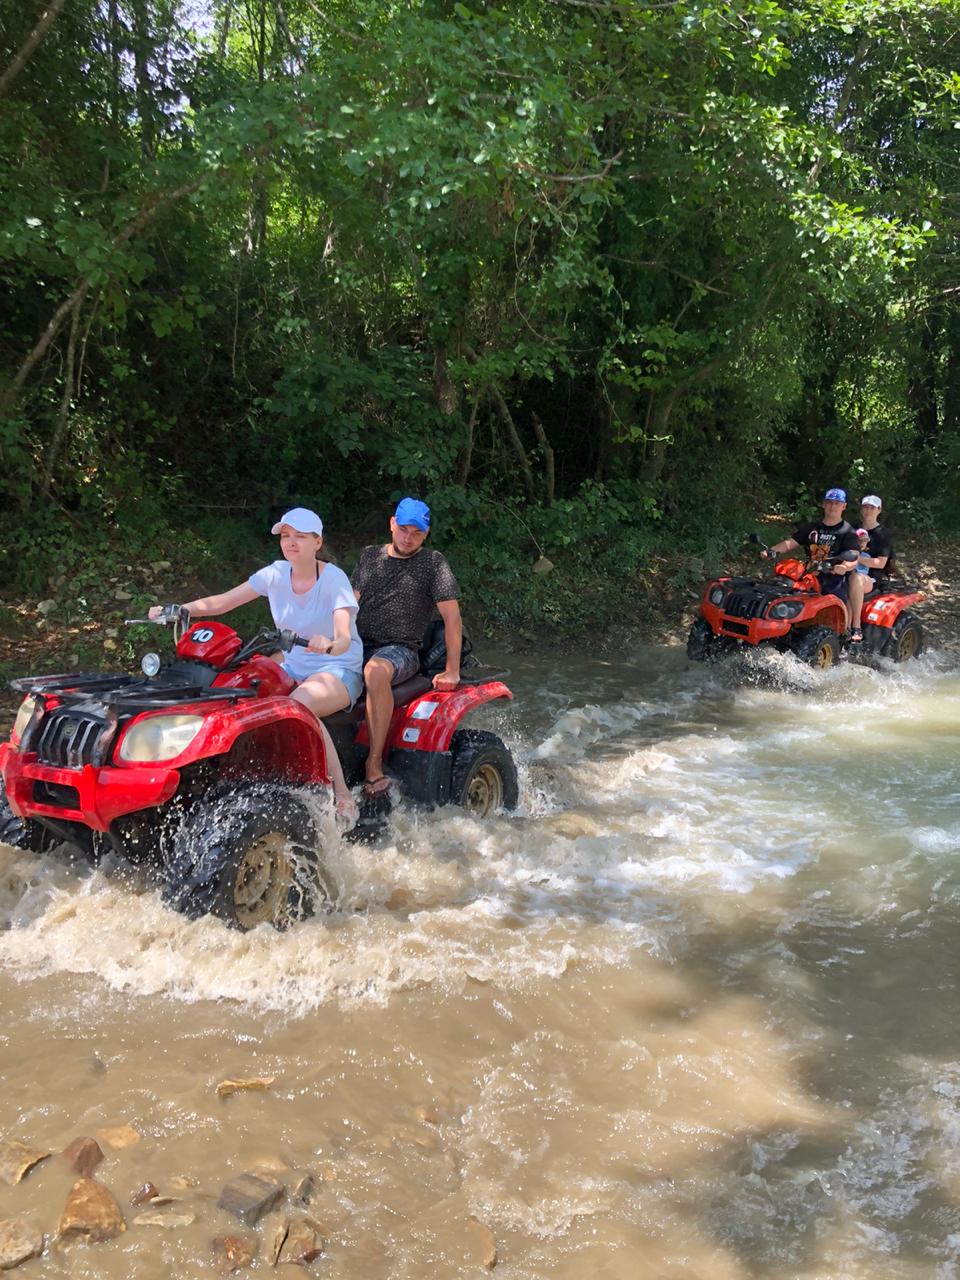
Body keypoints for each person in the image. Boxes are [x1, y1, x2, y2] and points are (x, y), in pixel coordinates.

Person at [149, 507, 361, 819]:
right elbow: (223, 601)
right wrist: (179, 609)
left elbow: (344, 634)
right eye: (286, 536)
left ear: (317, 542)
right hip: (292, 665)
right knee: (238, 692)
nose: (290, 543)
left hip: (336, 667)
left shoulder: (333, 579)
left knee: (299, 706)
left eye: (299, 537)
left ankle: (340, 793)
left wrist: (329, 643)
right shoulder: (275, 574)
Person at [351, 497, 462, 797]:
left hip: (400, 650)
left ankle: (374, 766)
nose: (408, 537)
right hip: (356, 644)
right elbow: (348, 605)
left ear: (425, 534)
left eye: (416, 532)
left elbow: (452, 618)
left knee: (374, 672)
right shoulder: (370, 556)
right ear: (391, 524)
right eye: (403, 529)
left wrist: (452, 670)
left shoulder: (433, 563)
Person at [760, 487, 861, 606]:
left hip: (832, 578)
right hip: (806, 575)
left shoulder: (848, 531)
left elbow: (854, 557)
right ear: (824, 504)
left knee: (835, 604)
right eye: (829, 502)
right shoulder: (812, 527)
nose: (832, 506)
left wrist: (844, 567)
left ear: (843, 506)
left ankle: (845, 625)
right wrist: (771, 551)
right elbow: (790, 543)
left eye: (837, 503)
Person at [847, 494, 893, 643]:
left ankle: (855, 627)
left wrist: (855, 557)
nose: (868, 510)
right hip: (846, 569)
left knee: (855, 580)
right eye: (865, 507)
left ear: (879, 510)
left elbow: (880, 563)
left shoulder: (882, 534)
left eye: (872, 507)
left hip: (870, 578)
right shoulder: (852, 528)